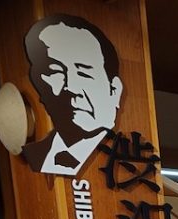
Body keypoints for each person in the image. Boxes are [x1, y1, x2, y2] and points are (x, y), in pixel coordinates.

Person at [20, 14, 123, 176]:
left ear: (114, 90)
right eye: (56, 72)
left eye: (84, 73)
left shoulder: (127, 161)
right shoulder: (32, 156)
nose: (71, 87)